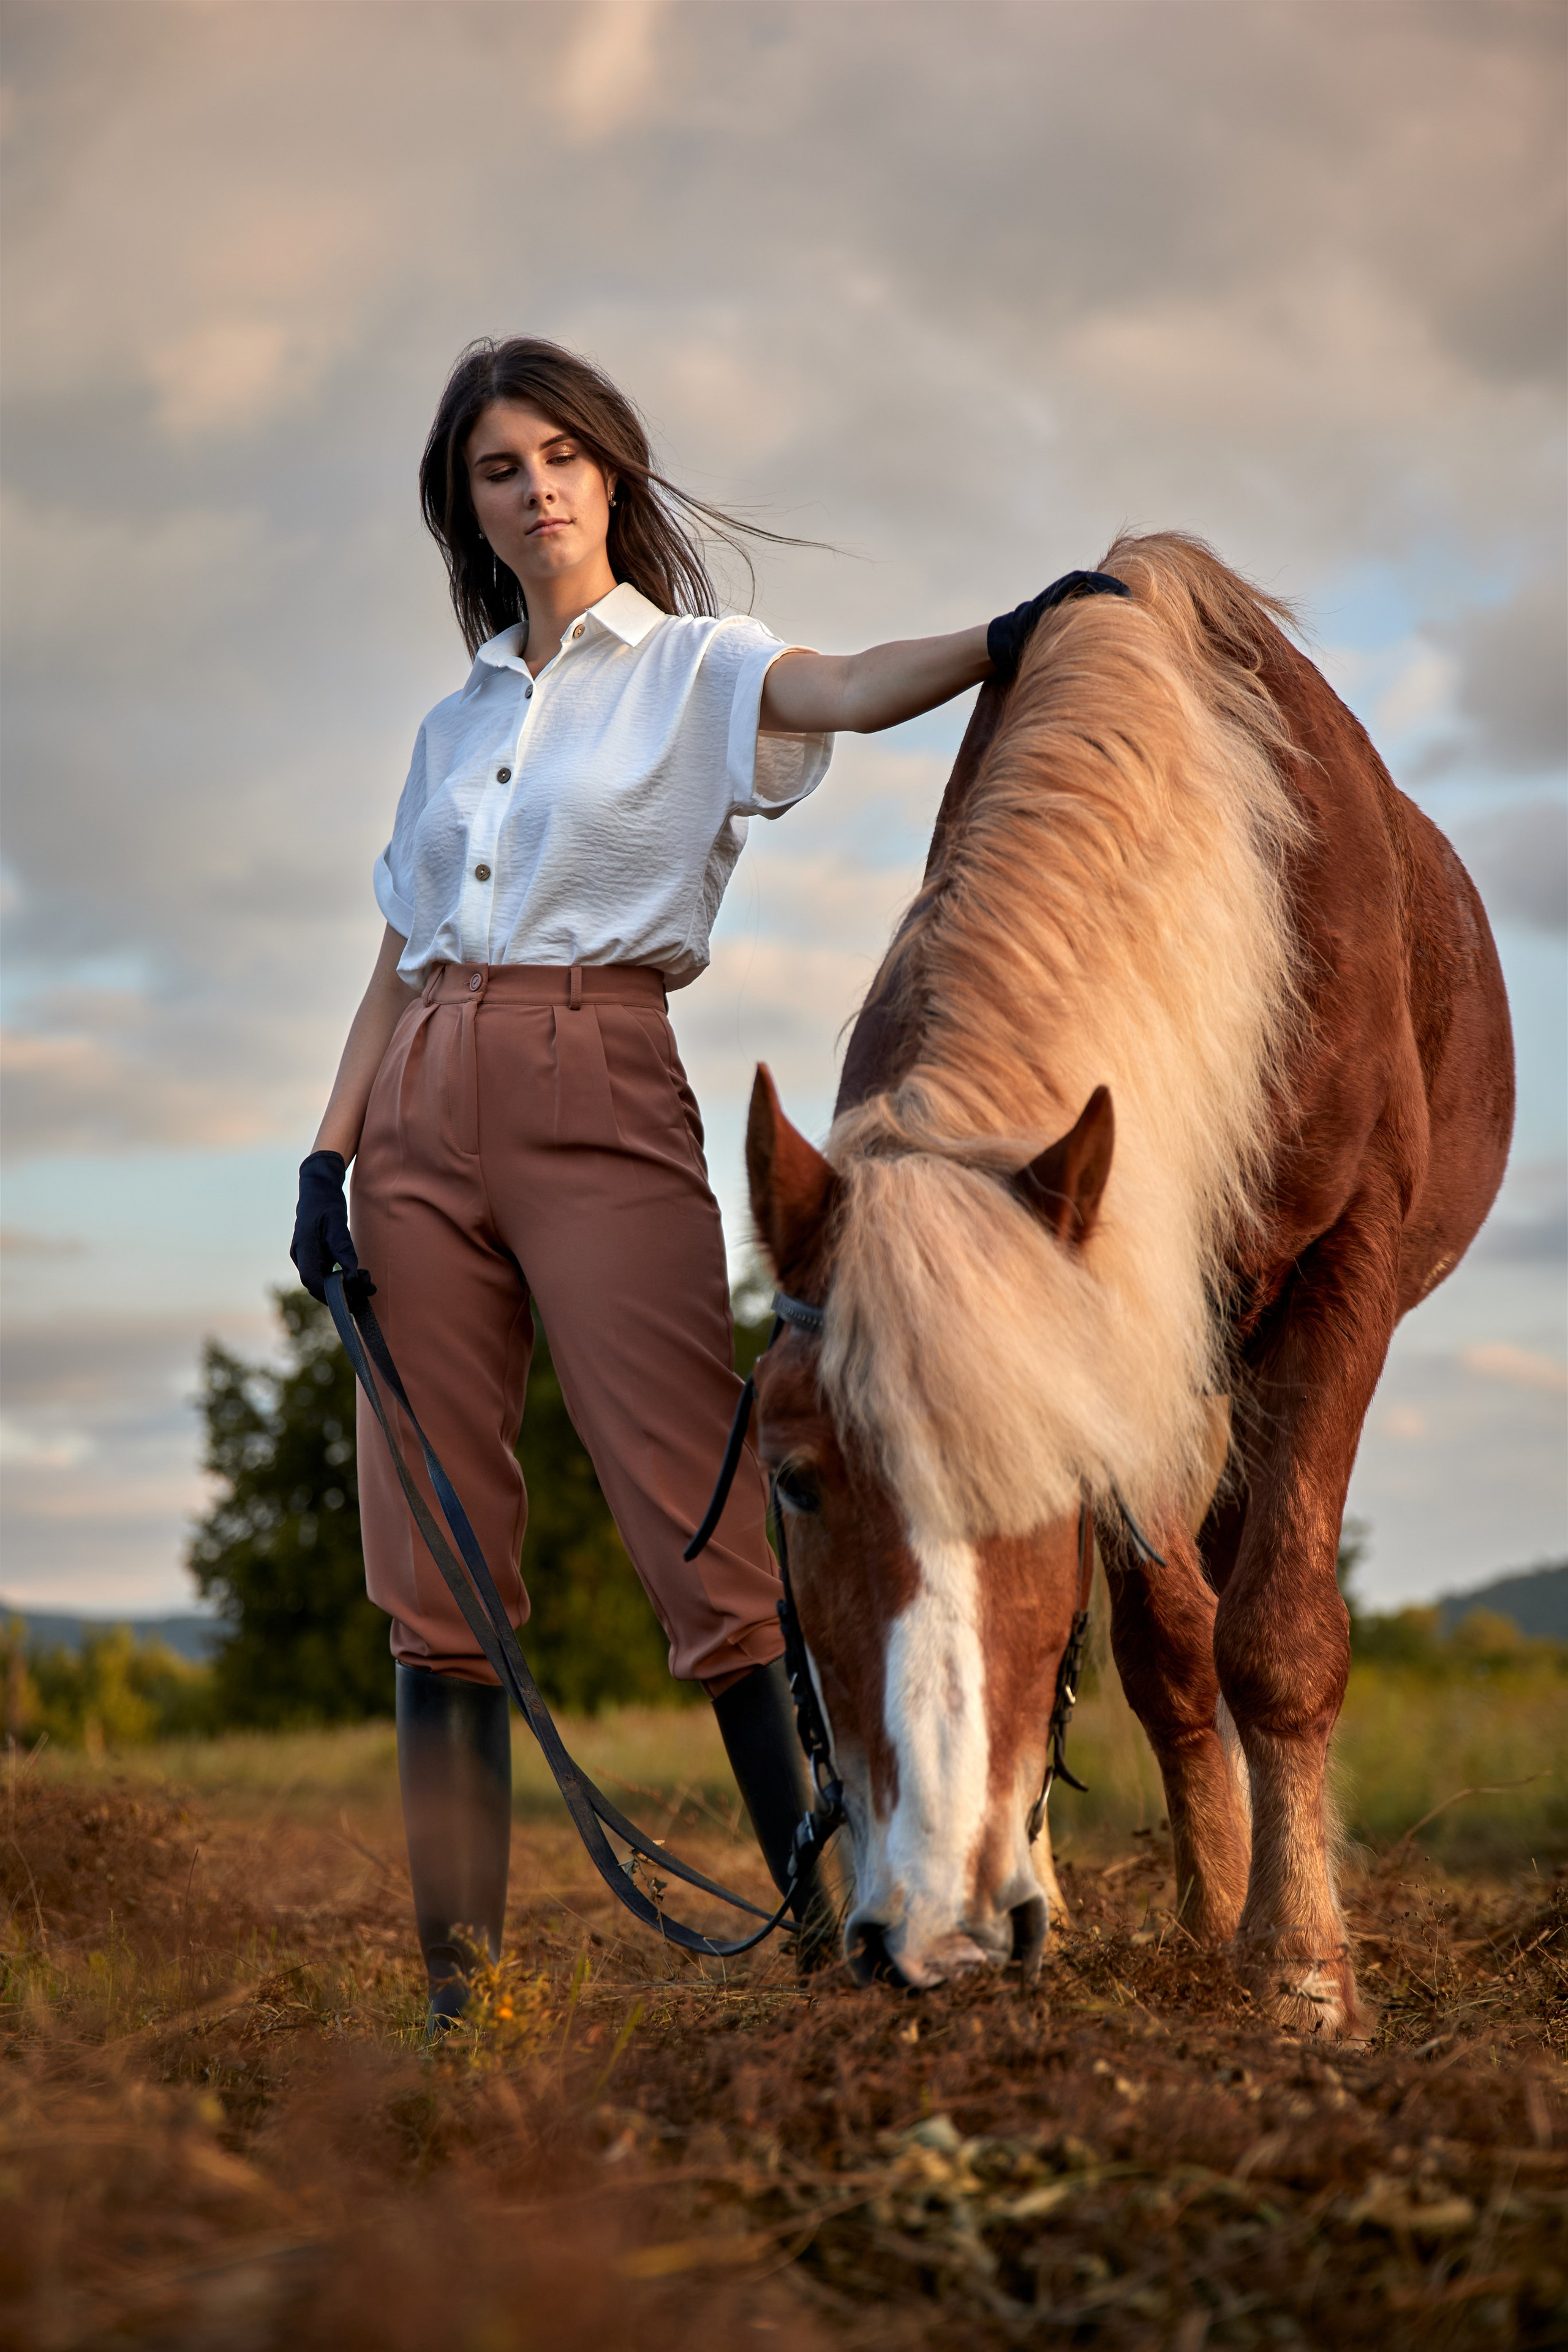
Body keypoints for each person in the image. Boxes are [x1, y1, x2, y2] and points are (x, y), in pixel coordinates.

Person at [290, 336, 1062, 2022]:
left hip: (599, 1076)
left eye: (563, 454)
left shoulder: (697, 667)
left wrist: (1009, 640)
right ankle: (461, 2004)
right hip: (418, 1104)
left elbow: (847, 685)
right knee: (429, 1561)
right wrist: (328, 1157)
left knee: (696, 1519)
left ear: (614, 473)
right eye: (502, 468)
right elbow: (398, 952)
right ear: (470, 508)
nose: (539, 486)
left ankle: (815, 1939)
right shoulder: (454, 722)